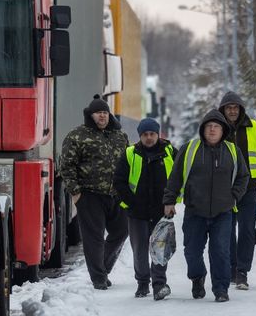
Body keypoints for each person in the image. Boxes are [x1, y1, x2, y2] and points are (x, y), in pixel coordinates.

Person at [162, 110, 249, 302]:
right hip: (195, 210)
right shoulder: (190, 148)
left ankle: (221, 289)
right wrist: (169, 200)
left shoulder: (232, 151)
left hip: (223, 212)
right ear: (202, 129)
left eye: (216, 126)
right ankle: (197, 277)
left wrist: (233, 196)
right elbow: (175, 176)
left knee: (220, 250)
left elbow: (244, 176)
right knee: (192, 251)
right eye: (208, 126)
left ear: (223, 130)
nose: (212, 129)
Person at [60, 94, 129, 290]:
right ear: (90, 115)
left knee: (122, 231)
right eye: (98, 113)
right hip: (89, 195)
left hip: (116, 194)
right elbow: (66, 166)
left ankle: (103, 267)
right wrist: (75, 192)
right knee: (94, 238)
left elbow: (128, 163)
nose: (102, 116)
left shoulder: (120, 136)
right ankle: (98, 278)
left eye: (105, 113)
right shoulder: (77, 136)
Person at [219, 91, 256, 290]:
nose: (233, 111)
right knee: (226, 230)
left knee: (246, 231)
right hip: (225, 190)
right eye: (229, 107)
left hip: (249, 189)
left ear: (241, 109)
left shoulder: (254, 128)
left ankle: (242, 272)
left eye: (235, 107)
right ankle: (231, 269)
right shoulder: (216, 129)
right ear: (223, 110)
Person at [113, 118, 177, 300]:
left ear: (158, 134)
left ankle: (159, 284)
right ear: (140, 136)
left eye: (152, 134)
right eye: (145, 135)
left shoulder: (171, 153)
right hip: (137, 212)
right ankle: (142, 283)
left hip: (162, 212)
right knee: (139, 250)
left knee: (160, 248)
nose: (149, 138)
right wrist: (131, 203)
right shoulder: (130, 154)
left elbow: (181, 177)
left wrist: (172, 201)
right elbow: (119, 181)